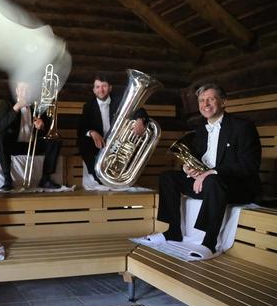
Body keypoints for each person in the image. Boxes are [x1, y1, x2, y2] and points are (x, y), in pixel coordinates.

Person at [142, 84, 261, 259]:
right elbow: (196, 160)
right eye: (201, 100)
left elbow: (249, 165)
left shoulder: (242, 127)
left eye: (211, 99)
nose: (205, 104)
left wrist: (211, 173)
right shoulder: (200, 130)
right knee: (168, 177)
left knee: (213, 181)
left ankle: (209, 243)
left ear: (223, 101)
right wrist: (188, 169)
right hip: (207, 185)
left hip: (236, 187)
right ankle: (173, 231)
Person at [77, 74, 148, 182]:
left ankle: (124, 176)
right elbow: (82, 127)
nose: (101, 90)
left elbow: (139, 110)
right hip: (98, 143)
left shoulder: (119, 101)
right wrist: (92, 132)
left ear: (110, 88)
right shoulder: (88, 106)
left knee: (134, 142)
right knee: (83, 142)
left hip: (116, 142)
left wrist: (139, 119)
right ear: (94, 90)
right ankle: (97, 176)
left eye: (104, 86)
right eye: (97, 87)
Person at [0, 81, 62, 191]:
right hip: (14, 145)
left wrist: (42, 126)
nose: (24, 93)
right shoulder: (7, 103)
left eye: (27, 90)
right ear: (16, 91)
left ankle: (45, 179)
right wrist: (16, 108)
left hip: (32, 145)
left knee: (54, 140)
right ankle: (7, 179)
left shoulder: (37, 105)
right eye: (21, 89)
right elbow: (0, 126)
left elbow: (45, 131)